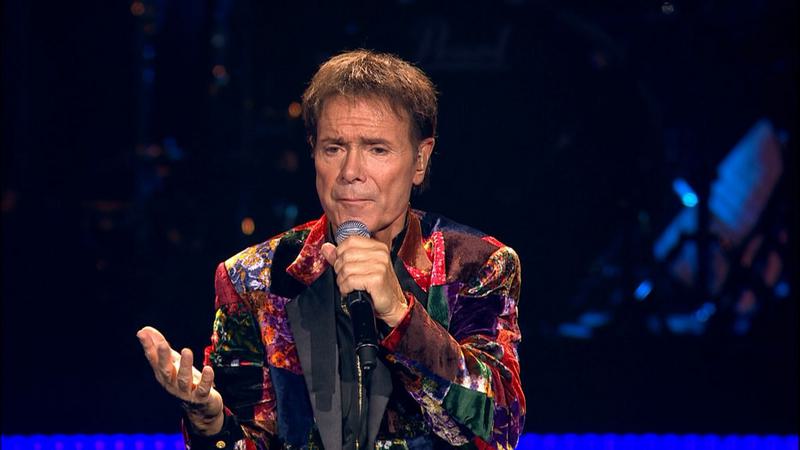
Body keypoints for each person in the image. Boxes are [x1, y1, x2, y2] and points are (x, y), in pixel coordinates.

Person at [137, 49, 525, 450]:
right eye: (334, 148)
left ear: (420, 160)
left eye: (377, 149)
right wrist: (211, 423)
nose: (351, 172)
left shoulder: (477, 266)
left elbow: (501, 426)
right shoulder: (253, 278)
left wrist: (400, 316)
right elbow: (251, 438)